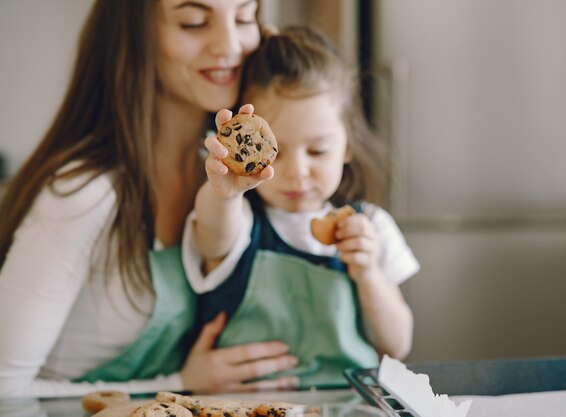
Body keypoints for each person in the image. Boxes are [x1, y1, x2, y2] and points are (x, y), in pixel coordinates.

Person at [0, 0, 299, 398]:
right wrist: (179, 385)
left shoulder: (217, 177)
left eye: (244, 17)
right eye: (194, 22)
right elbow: (4, 388)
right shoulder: (84, 195)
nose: (231, 44)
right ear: (133, 37)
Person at [188, 26, 420, 388]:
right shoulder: (241, 218)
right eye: (278, 152)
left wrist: (368, 273)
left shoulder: (371, 226)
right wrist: (225, 193)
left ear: (346, 146)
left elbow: (397, 344)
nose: (297, 172)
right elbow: (212, 240)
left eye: (318, 151)